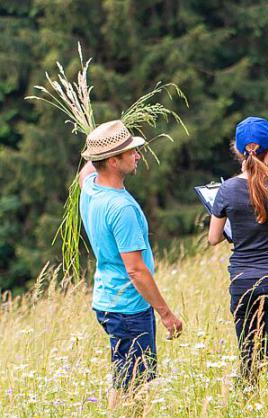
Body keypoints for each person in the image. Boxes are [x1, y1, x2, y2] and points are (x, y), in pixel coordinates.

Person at [78, 120, 183, 406]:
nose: (137, 155)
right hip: (129, 308)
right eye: (131, 152)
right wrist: (166, 313)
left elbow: (86, 168)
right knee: (138, 391)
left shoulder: (90, 187)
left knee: (123, 378)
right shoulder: (121, 208)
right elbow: (136, 270)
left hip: (107, 300)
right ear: (113, 161)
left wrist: (100, 137)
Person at [208, 116, 268, 380]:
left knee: (249, 359)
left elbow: (213, 238)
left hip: (244, 280)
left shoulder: (226, 190)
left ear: (237, 151)